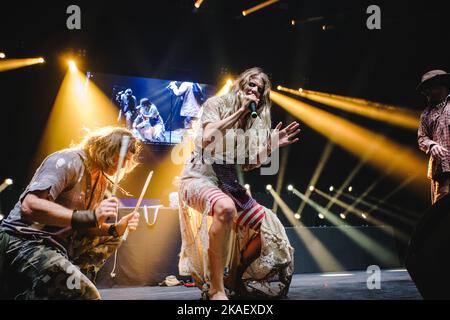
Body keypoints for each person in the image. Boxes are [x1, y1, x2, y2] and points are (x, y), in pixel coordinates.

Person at [177, 67, 300, 300]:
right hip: (198, 177)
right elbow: (206, 138)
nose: (253, 89)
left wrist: (272, 144)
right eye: (250, 83)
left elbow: (249, 164)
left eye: (258, 88)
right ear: (240, 84)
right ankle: (216, 289)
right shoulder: (216, 105)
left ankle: (233, 280)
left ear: (262, 97)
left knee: (267, 227)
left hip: (229, 185)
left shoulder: (255, 122)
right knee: (225, 208)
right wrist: (239, 112)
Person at [0, 127, 142, 299]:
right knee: (87, 295)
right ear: (108, 148)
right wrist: (90, 216)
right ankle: (69, 285)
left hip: (57, 246)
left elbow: (86, 226)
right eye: (123, 158)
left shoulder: (101, 178)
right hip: (25, 240)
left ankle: (67, 278)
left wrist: (116, 228)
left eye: (128, 160)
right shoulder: (68, 160)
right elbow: (30, 206)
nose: (125, 165)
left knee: (114, 236)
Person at [417, 70, 450, 204]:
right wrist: (432, 145)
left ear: (440, 86)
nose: (425, 93)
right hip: (441, 171)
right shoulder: (426, 114)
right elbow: (422, 138)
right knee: (441, 213)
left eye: (427, 89)